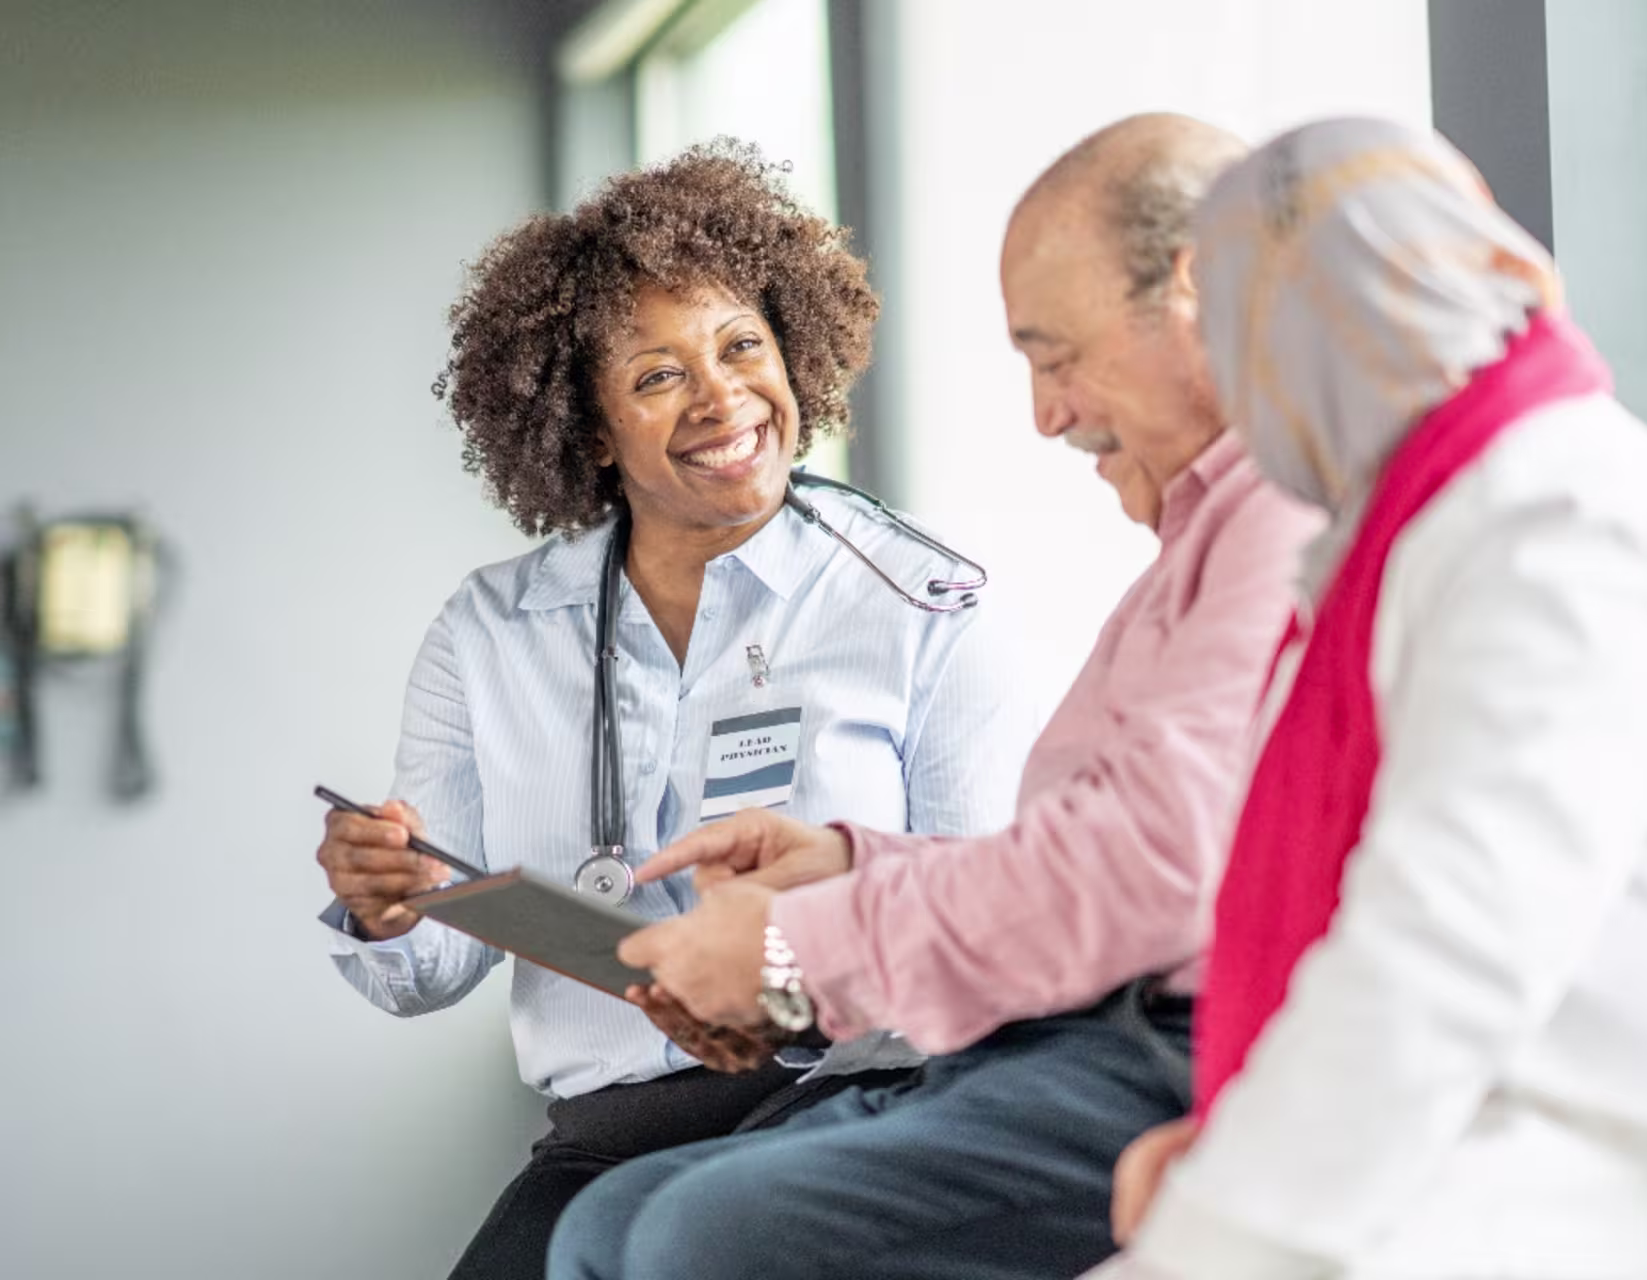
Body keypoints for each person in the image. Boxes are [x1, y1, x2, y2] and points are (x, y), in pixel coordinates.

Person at [1098, 117, 1647, 1280]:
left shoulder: (1561, 525)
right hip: (1570, 1130)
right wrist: (1238, 1146)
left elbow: (1445, 940)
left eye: (1296, 312)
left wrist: (1227, 1221)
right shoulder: (1415, 533)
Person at [543, 113, 1324, 1280]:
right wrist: (854, 864)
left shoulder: (1284, 528)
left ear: (1197, 291)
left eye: (1057, 357)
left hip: (1152, 1043)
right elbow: (1084, 851)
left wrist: (797, 949)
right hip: (1058, 1033)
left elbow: (1151, 869)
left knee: (692, 1240)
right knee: (605, 1222)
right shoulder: (1192, 542)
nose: (1046, 414)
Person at [312, 141, 1033, 1280]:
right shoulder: (490, 631)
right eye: (657, 375)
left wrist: (792, 976)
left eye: (743, 345)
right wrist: (387, 905)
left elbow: (985, 936)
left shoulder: (920, 608)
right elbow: (425, 973)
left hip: (850, 1102)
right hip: (606, 1133)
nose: (723, 397)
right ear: (590, 427)